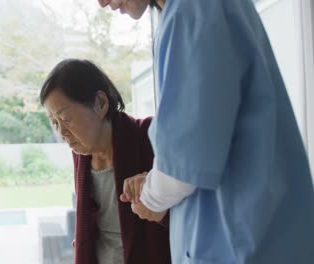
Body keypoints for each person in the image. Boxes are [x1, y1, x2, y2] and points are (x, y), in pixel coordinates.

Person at [98, 0, 314, 263]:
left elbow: (182, 170)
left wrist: (151, 197)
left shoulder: (194, 11)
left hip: (243, 246)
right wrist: (157, 182)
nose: (101, 2)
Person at [39, 58, 171, 264]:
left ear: (100, 103)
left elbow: (195, 213)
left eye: (65, 118)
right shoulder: (82, 155)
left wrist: (160, 199)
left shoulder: (152, 138)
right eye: (54, 122)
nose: (62, 132)